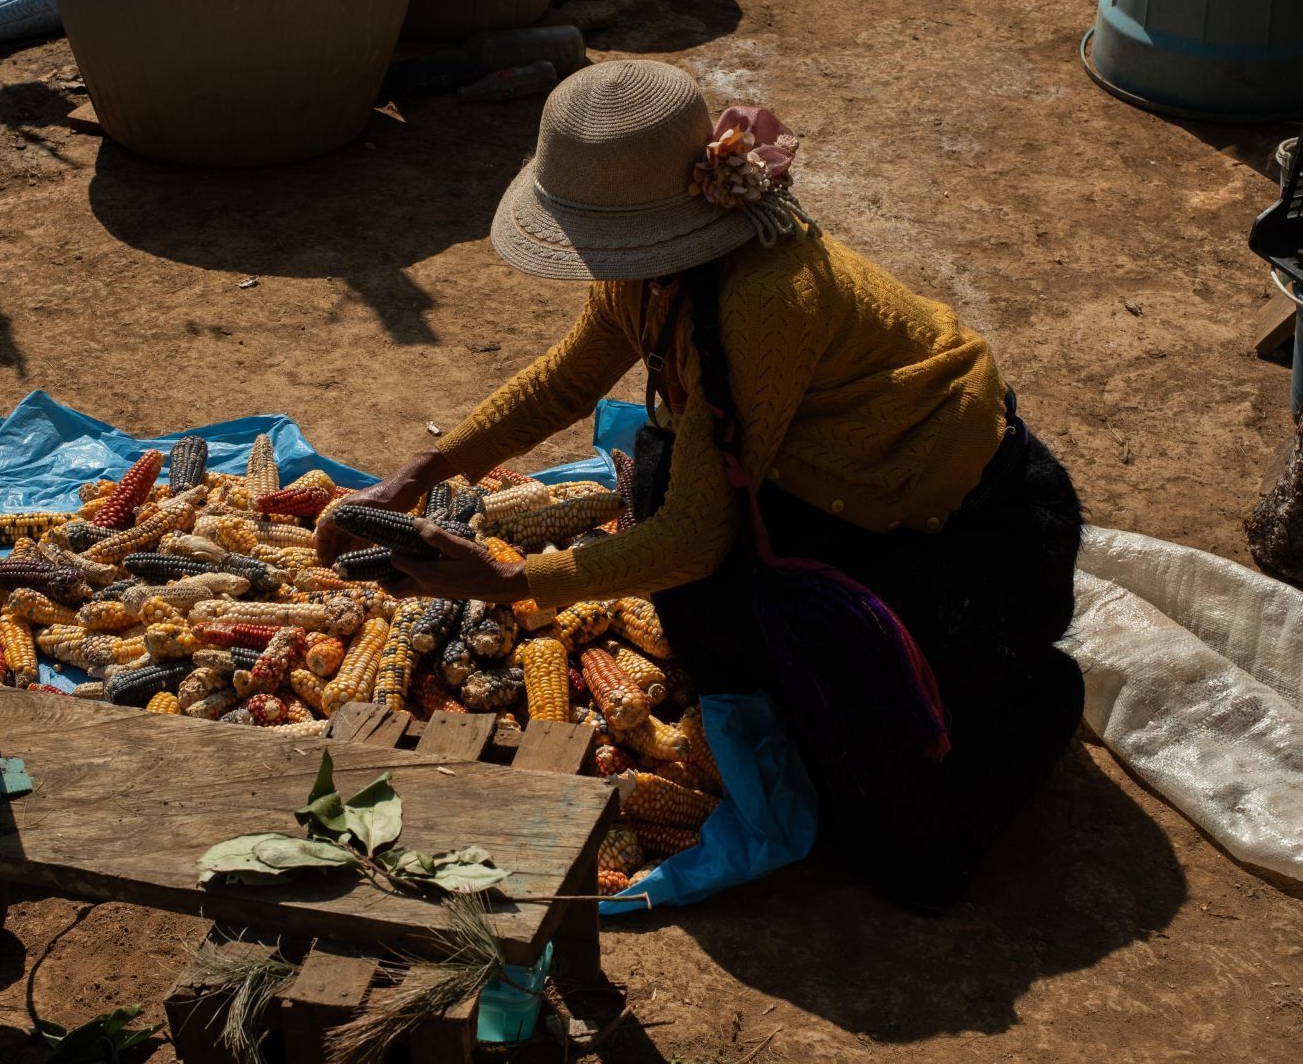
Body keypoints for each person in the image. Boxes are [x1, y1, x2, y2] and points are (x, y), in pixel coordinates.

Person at [315, 59, 1085, 913]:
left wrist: (509, 583)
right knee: (665, 493)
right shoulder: (644, 269)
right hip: (816, 485)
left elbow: (693, 537)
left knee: (900, 850)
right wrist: (419, 473)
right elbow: (567, 383)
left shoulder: (764, 299)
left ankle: (1033, 700)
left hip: (965, 532)